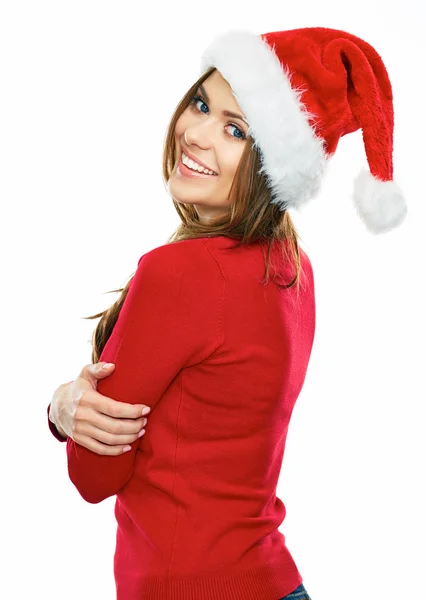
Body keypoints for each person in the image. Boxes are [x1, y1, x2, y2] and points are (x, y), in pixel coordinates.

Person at [47, 26, 407, 600]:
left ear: (272, 166)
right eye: (201, 103)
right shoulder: (293, 269)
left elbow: (94, 476)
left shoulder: (178, 274)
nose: (197, 134)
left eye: (236, 130)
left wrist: (64, 408)